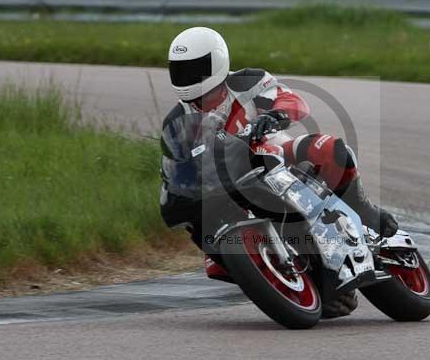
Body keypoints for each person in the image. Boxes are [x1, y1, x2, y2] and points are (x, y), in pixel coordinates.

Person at [160, 27, 398, 282]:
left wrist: (274, 115)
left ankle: (365, 211)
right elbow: (177, 166)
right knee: (208, 250)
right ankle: (276, 271)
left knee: (332, 150)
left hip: (275, 153)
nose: (188, 77)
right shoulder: (177, 119)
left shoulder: (248, 81)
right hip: (228, 186)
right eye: (181, 70)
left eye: (195, 69)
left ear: (216, 61)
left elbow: (292, 100)